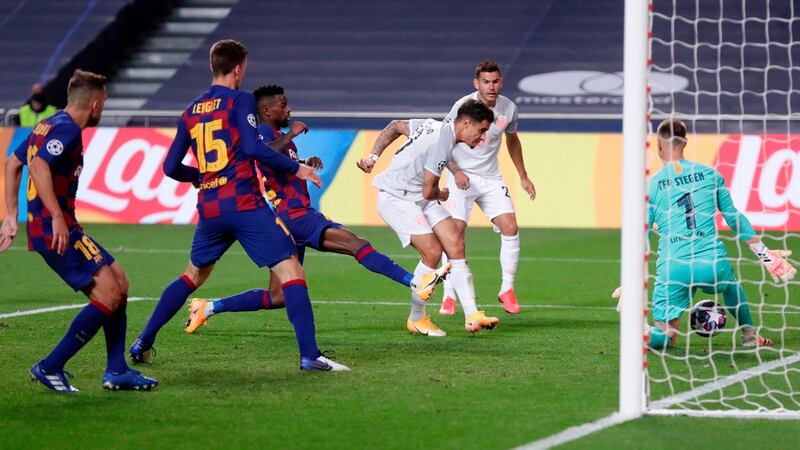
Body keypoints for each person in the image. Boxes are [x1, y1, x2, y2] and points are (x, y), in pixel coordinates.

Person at [129, 39, 349, 372]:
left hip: (210, 207)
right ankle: (310, 355)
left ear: (212, 66)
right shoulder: (240, 99)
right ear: (238, 68)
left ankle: (143, 341)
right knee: (291, 271)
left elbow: (170, 167)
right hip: (244, 203)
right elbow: (253, 148)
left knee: (192, 276)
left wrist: (199, 176)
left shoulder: (191, 110)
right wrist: (296, 168)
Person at [184, 85, 449, 332]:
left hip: (289, 220)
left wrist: (302, 162)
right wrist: (292, 134)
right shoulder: (263, 133)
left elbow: (277, 164)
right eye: (283, 105)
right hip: (296, 215)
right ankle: (415, 281)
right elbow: (263, 153)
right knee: (357, 244)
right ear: (266, 111)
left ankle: (208, 307)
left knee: (278, 296)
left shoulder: (278, 138)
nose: (289, 110)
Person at [0, 70, 157, 392]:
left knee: (120, 283)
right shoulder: (67, 129)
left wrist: (11, 216)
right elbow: (38, 165)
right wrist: (56, 216)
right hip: (55, 230)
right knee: (109, 294)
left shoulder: (48, 124)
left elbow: (13, 163)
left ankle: (116, 370)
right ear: (95, 104)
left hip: (60, 226)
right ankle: (50, 366)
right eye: (104, 104)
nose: (103, 109)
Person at [630, 118, 795, 349]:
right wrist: (765, 255)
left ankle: (641, 332)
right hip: (711, 263)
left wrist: (630, 281)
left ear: (658, 145)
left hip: (673, 267)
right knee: (731, 285)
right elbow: (733, 217)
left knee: (667, 336)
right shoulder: (710, 174)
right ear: (685, 142)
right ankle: (749, 335)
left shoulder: (652, 185)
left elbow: (643, 234)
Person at [357, 100, 500, 336]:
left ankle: (472, 315)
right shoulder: (440, 142)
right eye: (481, 130)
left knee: (455, 242)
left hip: (418, 196)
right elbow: (429, 191)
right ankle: (417, 318)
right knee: (432, 253)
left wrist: (373, 157)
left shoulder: (435, 126)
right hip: (397, 198)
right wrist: (442, 194)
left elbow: (396, 126)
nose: (482, 137)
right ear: (466, 123)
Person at [437, 60, 537, 316]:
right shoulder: (462, 106)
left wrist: (523, 175)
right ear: (476, 83)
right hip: (460, 178)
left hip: (491, 178)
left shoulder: (509, 108)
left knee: (510, 227)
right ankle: (448, 295)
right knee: (455, 233)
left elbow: (513, 141)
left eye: (495, 82)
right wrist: (456, 172)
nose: (491, 87)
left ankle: (507, 289)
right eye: (485, 82)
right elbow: (442, 141)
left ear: (501, 82)